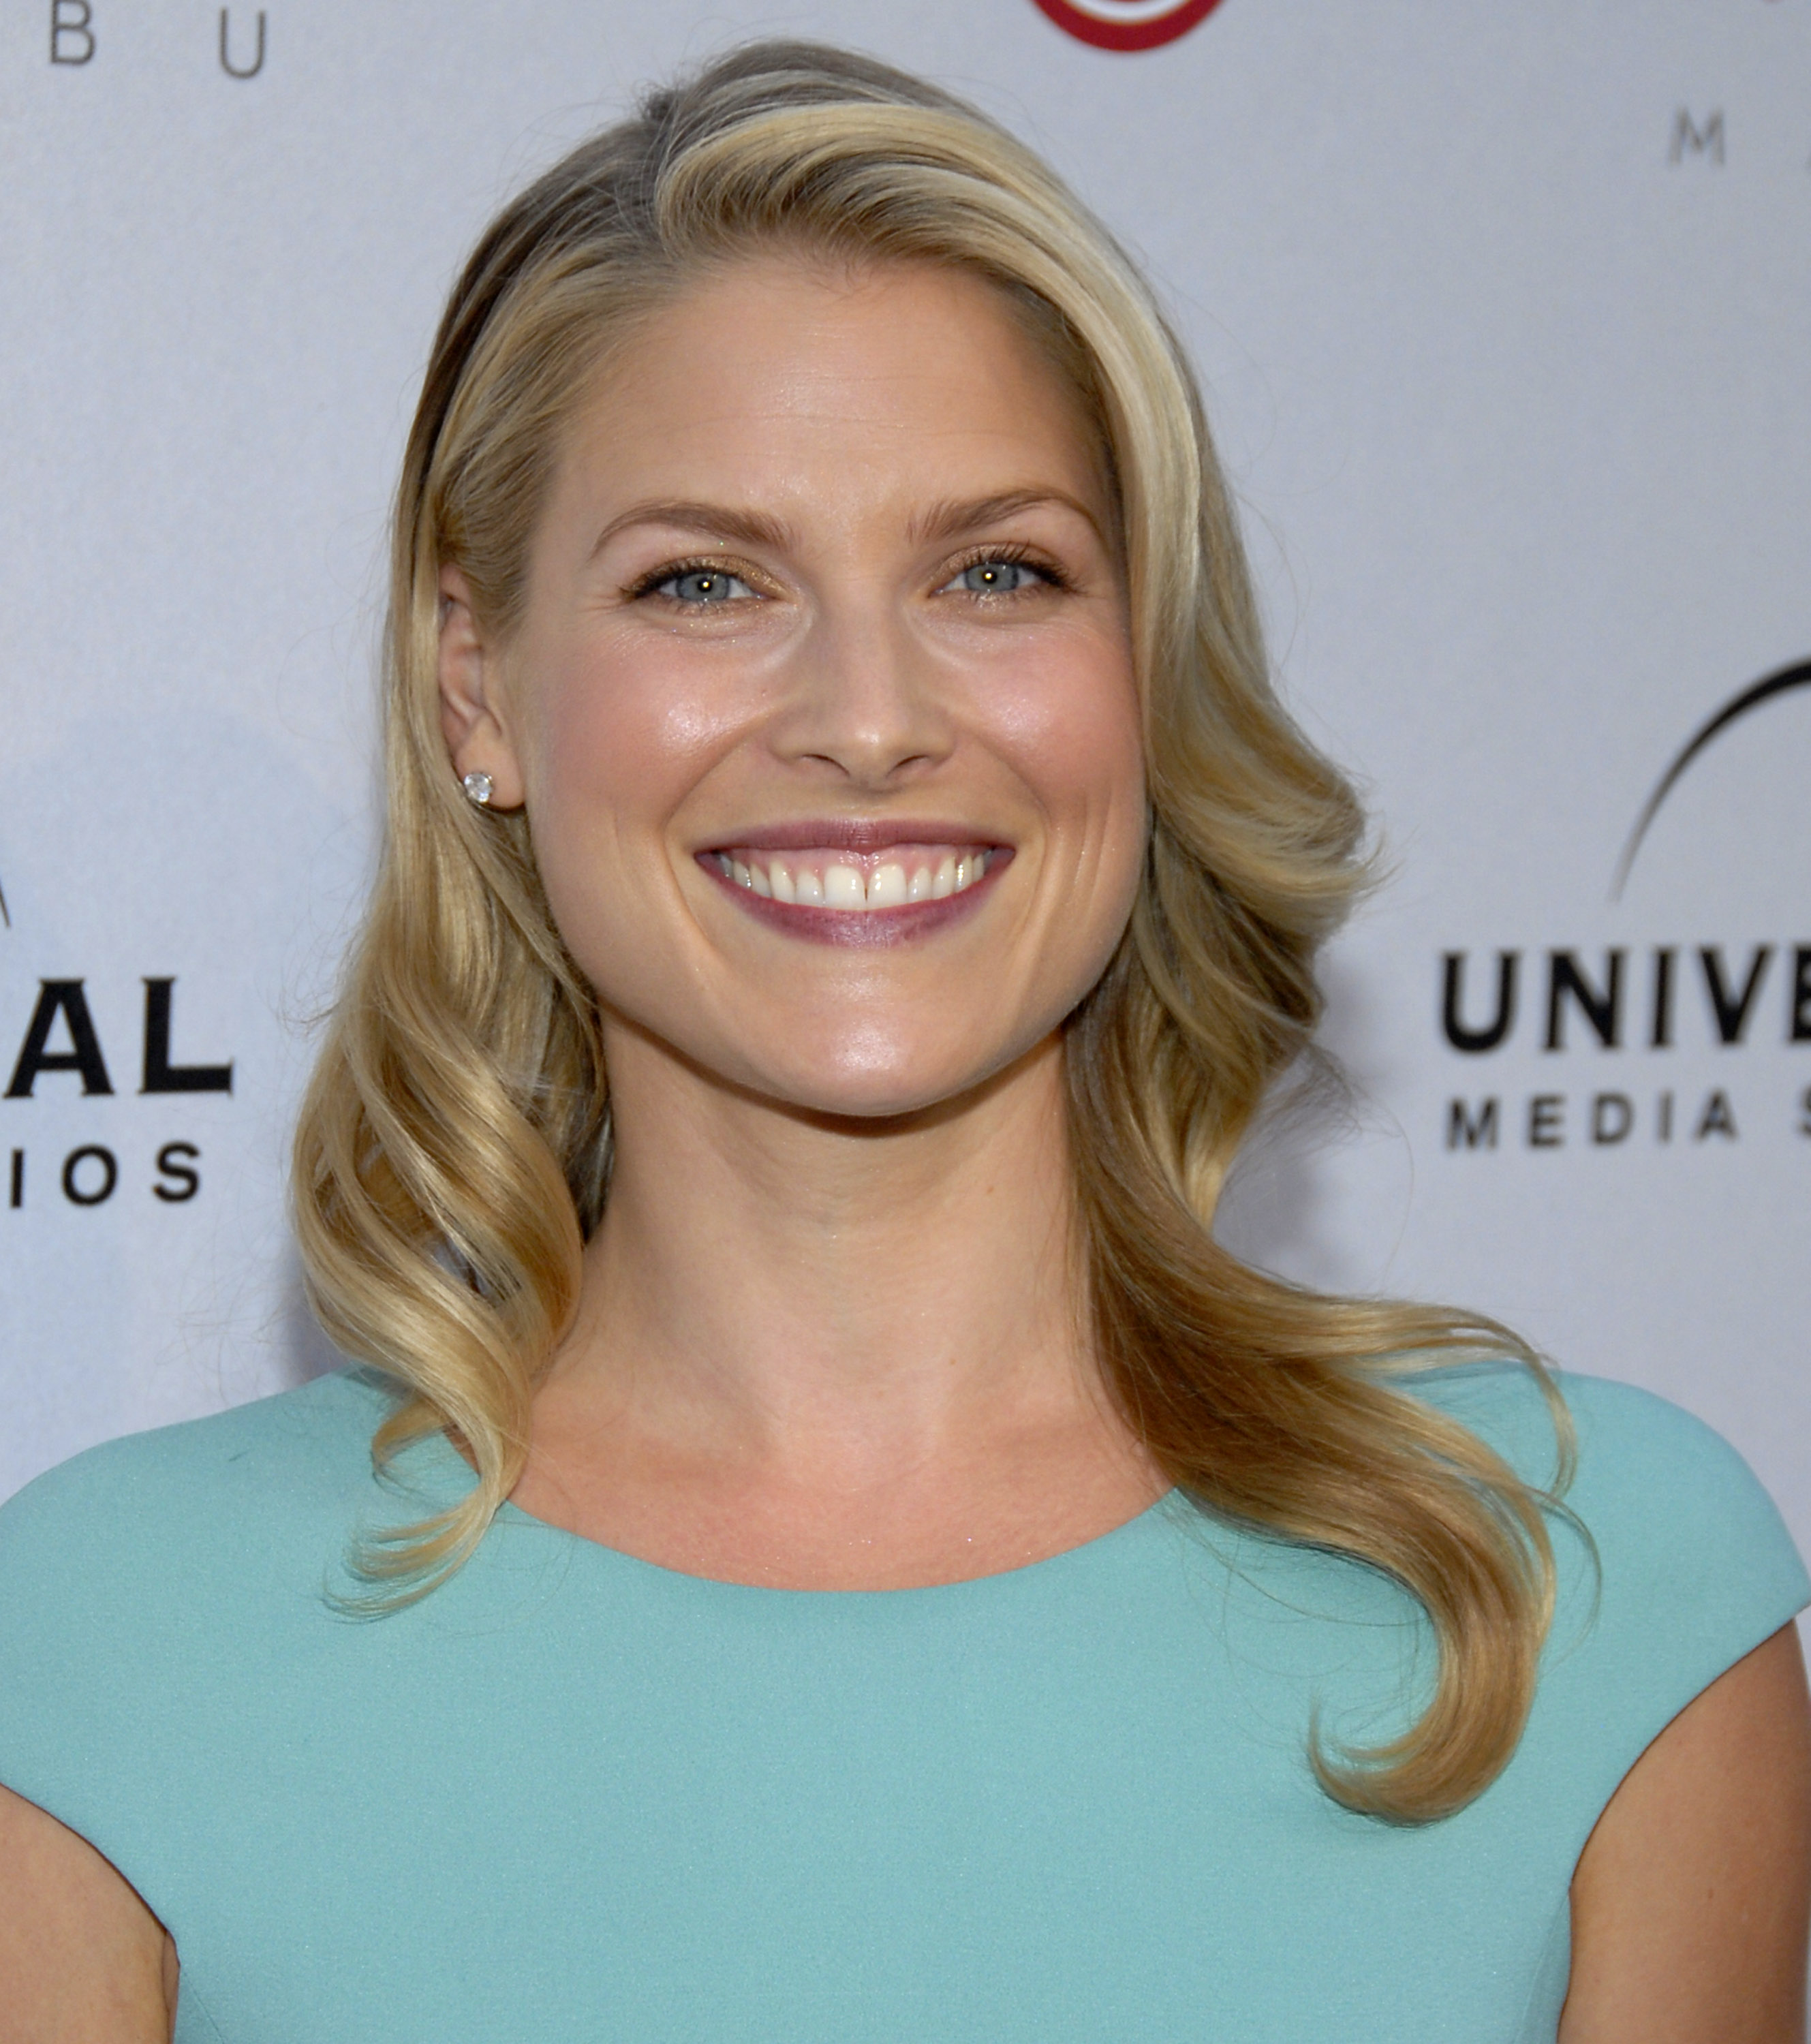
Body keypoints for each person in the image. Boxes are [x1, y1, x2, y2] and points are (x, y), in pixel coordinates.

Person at [1, 40, 1806, 2044]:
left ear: (1142, 664)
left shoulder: (1586, 1594)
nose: (867, 718)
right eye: (703, 580)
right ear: (478, 686)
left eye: (995, 572)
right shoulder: (99, 1663)